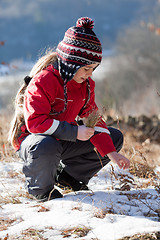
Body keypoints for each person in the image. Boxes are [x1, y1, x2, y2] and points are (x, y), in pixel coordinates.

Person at [9, 17, 130, 202]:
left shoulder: (86, 85)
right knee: (46, 145)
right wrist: (74, 132)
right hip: (34, 141)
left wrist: (112, 153)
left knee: (114, 137)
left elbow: (93, 119)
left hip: (63, 139)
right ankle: (41, 190)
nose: (90, 74)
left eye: (93, 69)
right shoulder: (44, 81)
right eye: (86, 69)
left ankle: (70, 177)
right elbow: (35, 123)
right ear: (71, 63)